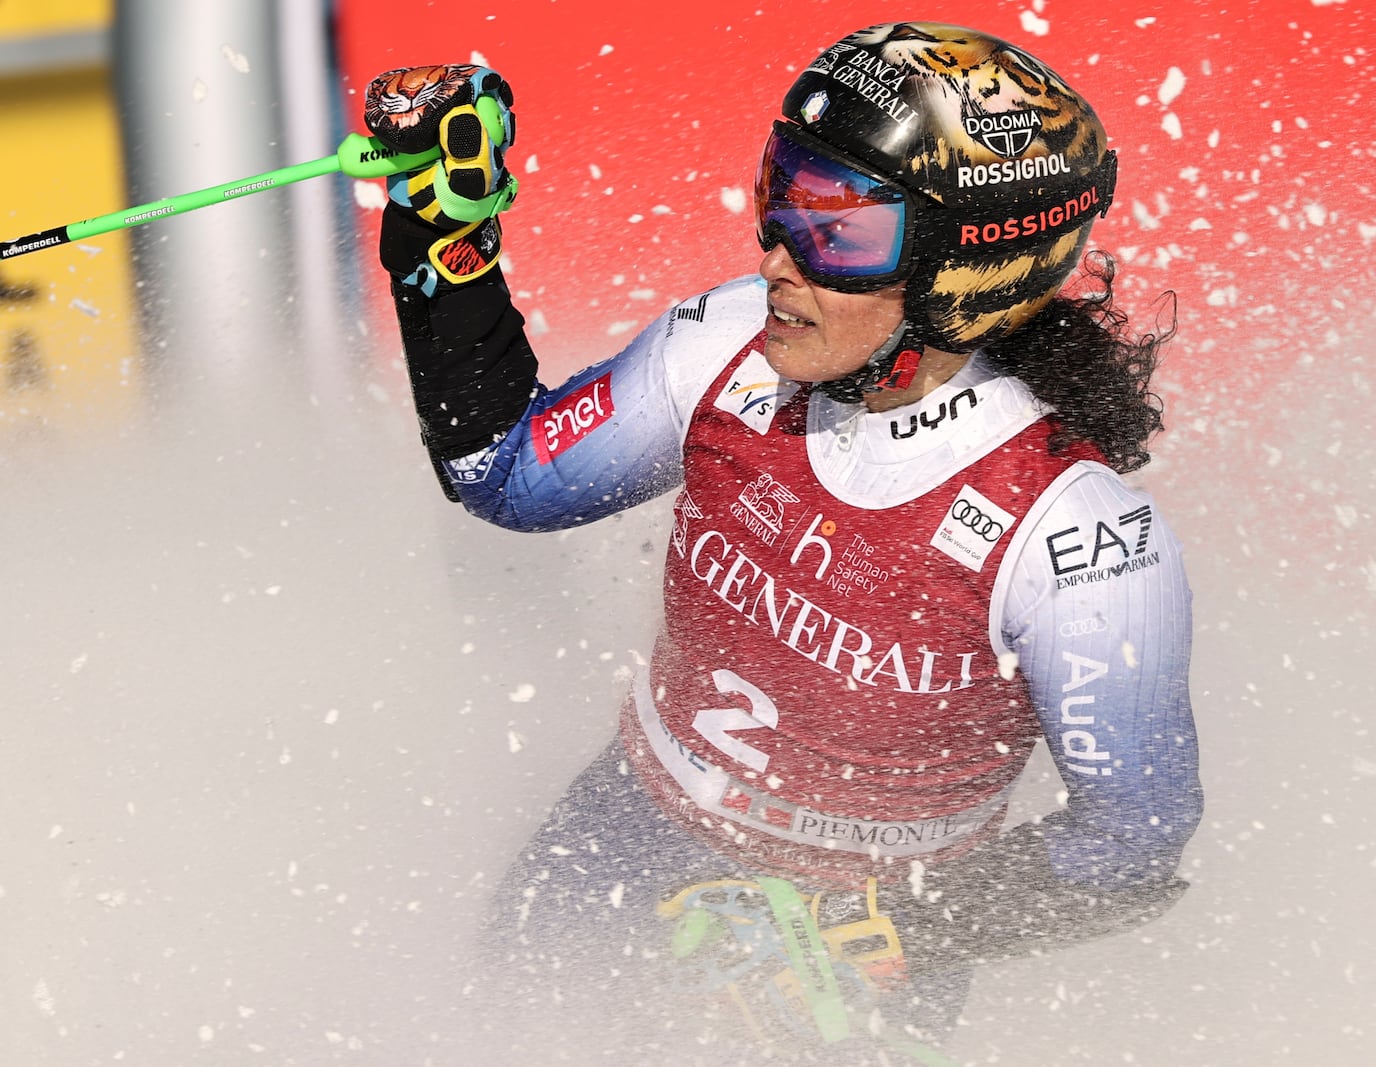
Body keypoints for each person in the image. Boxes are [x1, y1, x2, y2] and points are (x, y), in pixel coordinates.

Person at [362, 22, 1204, 1061]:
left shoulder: (1080, 539)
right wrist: (444, 231)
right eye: (782, 192)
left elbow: (1131, 840)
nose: (776, 257)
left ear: (966, 270)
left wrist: (881, 933)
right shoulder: (730, 348)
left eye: (838, 231)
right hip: (618, 838)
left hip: (846, 960)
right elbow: (504, 471)